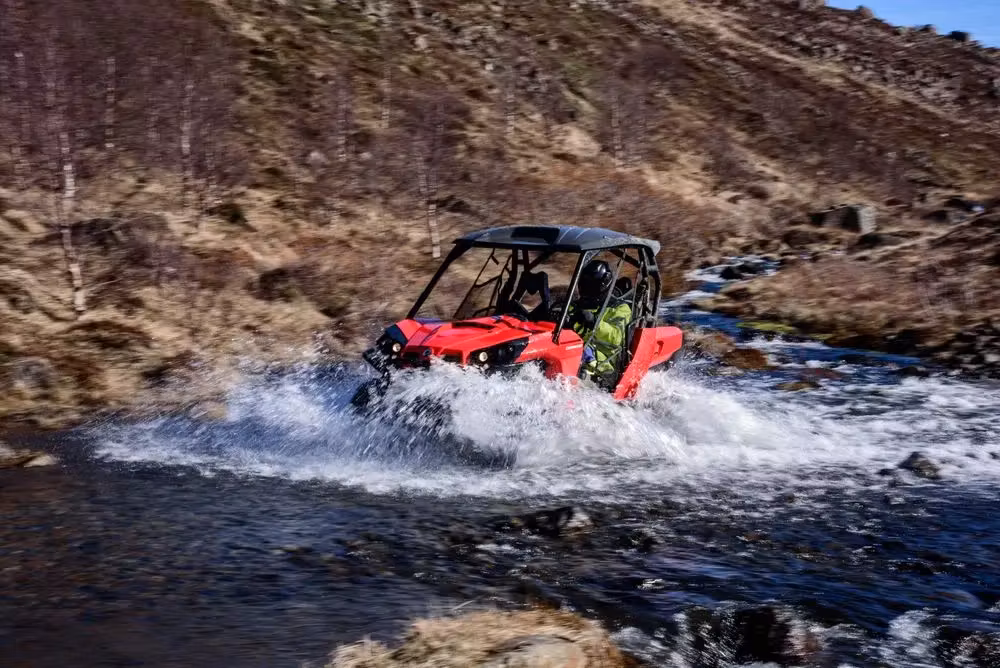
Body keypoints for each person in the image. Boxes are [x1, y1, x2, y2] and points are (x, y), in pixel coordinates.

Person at [567, 259, 631, 385]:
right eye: (585, 284)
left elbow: (617, 337)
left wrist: (594, 322)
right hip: (571, 349)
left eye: (591, 285)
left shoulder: (620, 308)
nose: (587, 289)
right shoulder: (577, 305)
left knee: (579, 353)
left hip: (603, 363)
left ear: (603, 284)